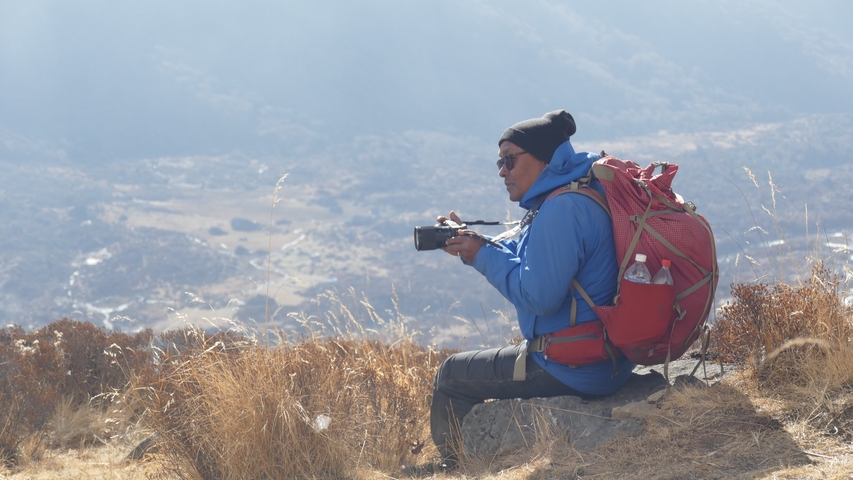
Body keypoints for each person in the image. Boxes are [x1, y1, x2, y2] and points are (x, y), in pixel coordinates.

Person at [403, 110, 634, 477]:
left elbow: (539, 297)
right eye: (500, 161)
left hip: (574, 367)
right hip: (605, 357)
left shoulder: (561, 209)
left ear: (543, 158)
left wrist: (480, 256)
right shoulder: (578, 190)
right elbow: (539, 265)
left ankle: (455, 468)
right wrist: (476, 245)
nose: (501, 171)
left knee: (451, 376)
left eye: (510, 159)